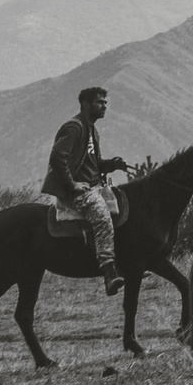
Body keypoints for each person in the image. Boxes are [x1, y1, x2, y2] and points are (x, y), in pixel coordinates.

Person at [46, 85, 131, 295]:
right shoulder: (74, 127)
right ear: (85, 105)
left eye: (105, 103)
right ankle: (109, 271)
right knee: (101, 216)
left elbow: (94, 163)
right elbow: (58, 157)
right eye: (99, 102)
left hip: (94, 186)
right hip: (77, 191)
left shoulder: (93, 130)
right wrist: (72, 184)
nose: (104, 106)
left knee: (124, 206)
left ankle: (127, 264)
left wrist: (112, 164)